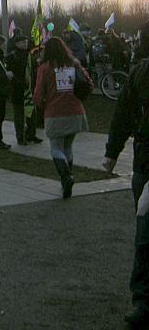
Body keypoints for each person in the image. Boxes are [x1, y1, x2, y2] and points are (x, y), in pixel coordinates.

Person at [101, 20, 149, 328]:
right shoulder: (141, 74)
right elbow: (123, 114)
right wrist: (111, 151)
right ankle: (143, 300)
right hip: (147, 165)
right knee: (145, 236)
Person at [33, 37, 93, 199]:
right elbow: (89, 83)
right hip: (75, 111)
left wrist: (40, 105)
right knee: (68, 147)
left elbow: (38, 95)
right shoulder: (74, 64)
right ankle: (67, 178)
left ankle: (66, 177)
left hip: (55, 113)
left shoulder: (45, 68)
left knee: (55, 148)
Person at [7, 35, 33, 145]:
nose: (25, 44)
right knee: (19, 115)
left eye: (26, 42)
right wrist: (20, 83)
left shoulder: (28, 55)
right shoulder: (12, 56)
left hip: (29, 89)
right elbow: (11, 74)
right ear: (17, 43)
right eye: (23, 42)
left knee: (31, 112)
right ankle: (21, 137)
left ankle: (31, 134)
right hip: (17, 89)